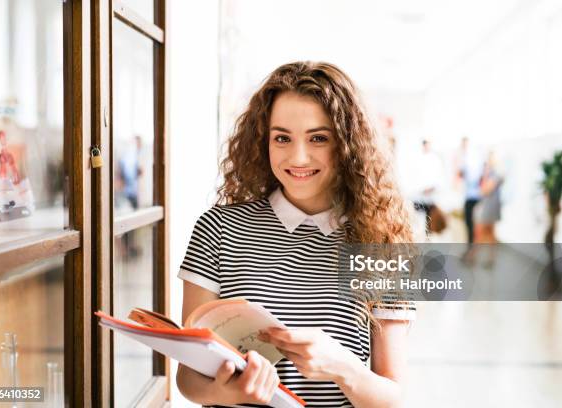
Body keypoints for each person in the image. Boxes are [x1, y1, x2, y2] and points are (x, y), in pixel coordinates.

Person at [176, 62, 416, 407]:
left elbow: (395, 399)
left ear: (348, 144)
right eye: (282, 138)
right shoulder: (217, 229)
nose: (298, 157)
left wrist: (343, 367)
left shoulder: (384, 244)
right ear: (264, 141)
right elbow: (188, 378)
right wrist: (226, 392)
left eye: (318, 138)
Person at [473, 151, 503, 267]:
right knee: (490, 234)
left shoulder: (496, 175)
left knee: (482, 232)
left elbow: (484, 191)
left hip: (491, 208)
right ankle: (489, 258)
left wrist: (485, 177)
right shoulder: (490, 175)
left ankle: (473, 256)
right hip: (488, 206)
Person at [455, 137, 482, 246]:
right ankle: (471, 248)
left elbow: (469, 176)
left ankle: (472, 249)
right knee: (470, 224)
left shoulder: (471, 159)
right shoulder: (466, 158)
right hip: (471, 195)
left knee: (472, 224)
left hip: (474, 196)